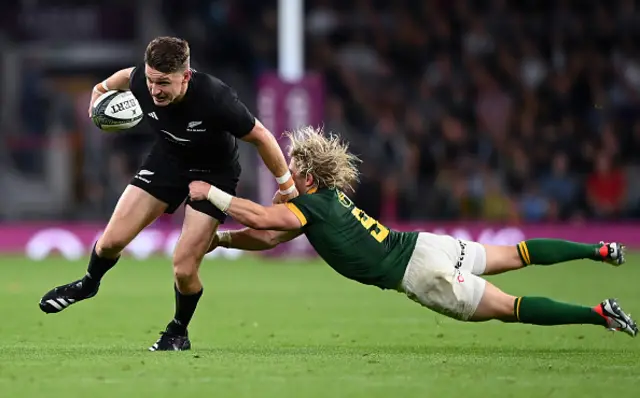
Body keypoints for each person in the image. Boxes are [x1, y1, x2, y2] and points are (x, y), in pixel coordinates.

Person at [188, 125, 638, 337]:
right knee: (516, 253)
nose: (287, 176)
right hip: (424, 244)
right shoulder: (320, 206)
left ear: (307, 175)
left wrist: (213, 194)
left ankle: (598, 314)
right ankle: (597, 250)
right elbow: (268, 237)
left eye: (291, 170)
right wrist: (222, 240)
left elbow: (265, 220)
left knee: (510, 308)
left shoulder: (310, 208)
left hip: (419, 273)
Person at [39, 36, 299, 351]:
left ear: (185, 76)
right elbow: (114, 82)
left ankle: (178, 331)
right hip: (167, 162)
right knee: (110, 242)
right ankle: (87, 285)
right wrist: (98, 97)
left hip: (214, 174)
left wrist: (286, 186)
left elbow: (261, 136)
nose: (154, 90)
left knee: (184, 267)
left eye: (163, 82)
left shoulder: (216, 98)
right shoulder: (139, 80)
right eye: (150, 80)